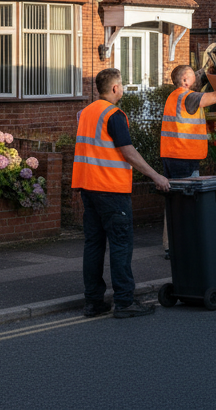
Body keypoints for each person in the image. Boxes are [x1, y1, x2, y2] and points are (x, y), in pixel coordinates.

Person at [74, 68, 170, 318]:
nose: (124, 90)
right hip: (111, 189)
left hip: (88, 187)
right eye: (122, 86)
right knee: (120, 245)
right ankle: (125, 301)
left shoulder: (85, 112)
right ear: (115, 88)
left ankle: (93, 302)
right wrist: (155, 175)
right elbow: (128, 152)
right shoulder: (114, 114)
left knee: (93, 245)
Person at [160, 56, 216, 258]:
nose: (195, 79)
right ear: (184, 81)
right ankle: (183, 246)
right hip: (184, 158)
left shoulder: (175, 96)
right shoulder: (189, 97)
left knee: (173, 202)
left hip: (172, 156)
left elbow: (198, 78)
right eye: (191, 76)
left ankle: (170, 245)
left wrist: (206, 69)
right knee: (186, 204)